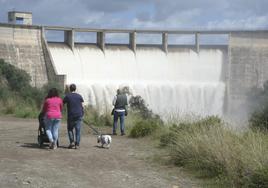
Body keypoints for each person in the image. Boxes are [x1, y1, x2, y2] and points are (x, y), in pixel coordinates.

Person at [63, 84, 84, 149]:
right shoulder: (79, 96)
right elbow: (83, 106)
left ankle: (72, 142)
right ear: (75, 89)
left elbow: (62, 103)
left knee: (70, 129)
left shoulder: (67, 96)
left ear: (70, 89)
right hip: (79, 115)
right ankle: (77, 144)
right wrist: (82, 113)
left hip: (71, 115)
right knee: (78, 130)